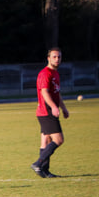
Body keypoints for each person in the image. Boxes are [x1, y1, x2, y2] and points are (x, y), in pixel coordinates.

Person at [32, 47, 69, 178]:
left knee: (46, 141)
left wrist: (63, 108)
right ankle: (38, 163)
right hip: (46, 111)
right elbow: (44, 92)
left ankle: (45, 171)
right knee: (58, 139)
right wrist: (53, 107)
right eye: (54, 57)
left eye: (59, 57)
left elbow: (56, 94)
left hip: (48, 111)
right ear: (48, 58)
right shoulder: (45, 73)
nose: (57, 59)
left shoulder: (55, 73)